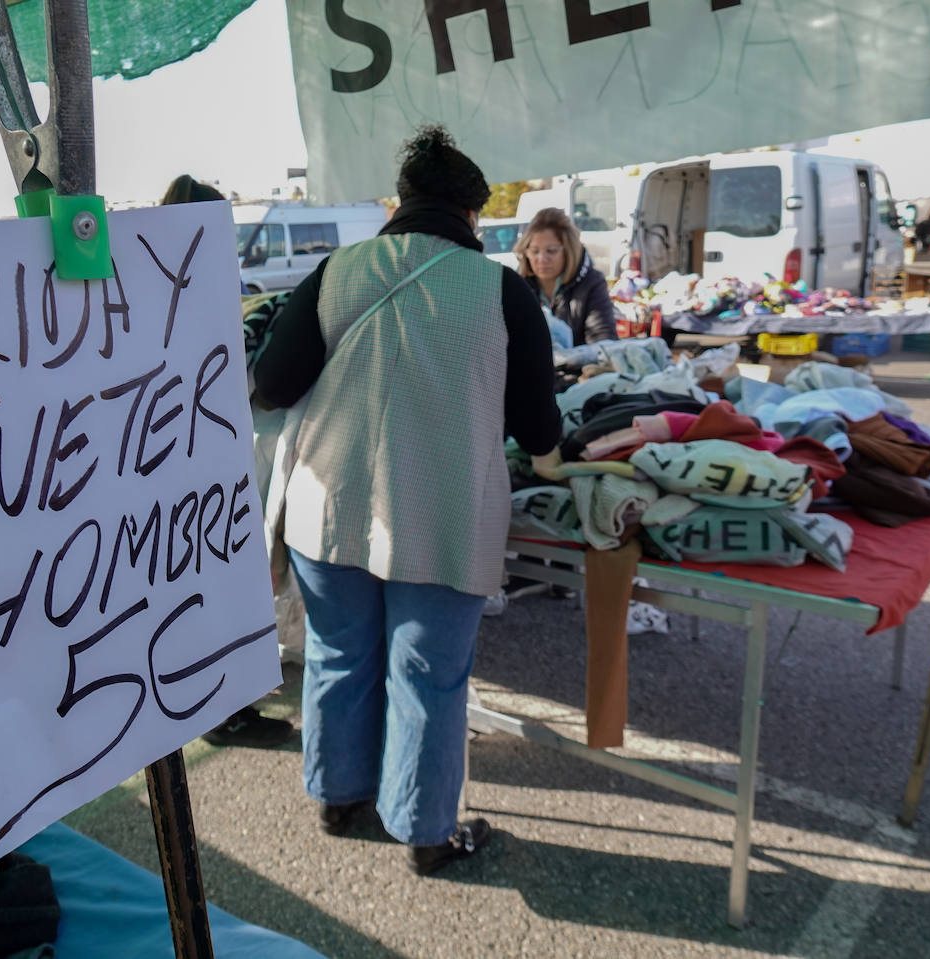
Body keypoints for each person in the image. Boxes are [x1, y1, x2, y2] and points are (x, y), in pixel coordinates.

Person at [253, 126, 563, 875]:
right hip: (442, 517)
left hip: (327, 510)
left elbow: (269, 383)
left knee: (336, 651)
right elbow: (538, 427)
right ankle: (425, 834)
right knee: (428, 672)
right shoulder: (500, 289)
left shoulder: (335, 271)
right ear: (471, 214)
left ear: (401, 201)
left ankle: (336, 796)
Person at [159, 173, 294, 750]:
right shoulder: (190, 285)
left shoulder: (154, 277)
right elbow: (224, 382)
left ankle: (216, 704)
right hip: (199, 463)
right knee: (209, 590)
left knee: (199, 590)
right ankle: (220, 711)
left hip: (181, 462)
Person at [514, 207, 618, 345]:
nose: (542, 259)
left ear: (569, 251)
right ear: (525, 252)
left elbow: (602, 339)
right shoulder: (518, 287)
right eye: (534, 251)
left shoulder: (592, 283)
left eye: (551, 251)